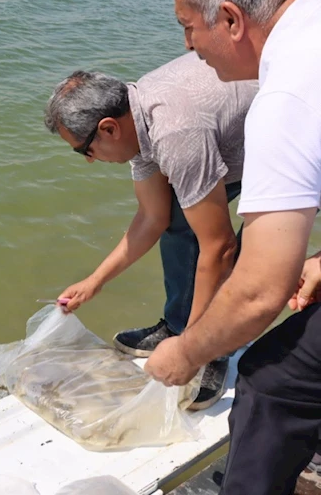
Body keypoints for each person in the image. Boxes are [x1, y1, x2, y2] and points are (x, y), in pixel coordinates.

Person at [145, 0, 321, 493]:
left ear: (229, 19)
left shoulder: (287, 96)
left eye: (188, 27)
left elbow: (258, 292)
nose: (187, 46)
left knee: (271, 379)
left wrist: (185, 352)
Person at [43, 54, 258, 410]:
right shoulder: (137, 117)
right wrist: (94, 281)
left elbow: (218, 248)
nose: (89, 160)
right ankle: (178, 326)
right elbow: (152, 217)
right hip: (226, 139)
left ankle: (213, 349)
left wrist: (191, 351)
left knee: (251, 249)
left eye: (86, 149)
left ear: (109, 128)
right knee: (177, 217)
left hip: (281, 142)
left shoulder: (175, 134)